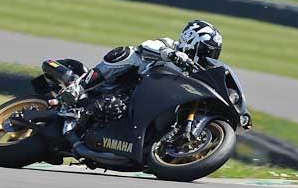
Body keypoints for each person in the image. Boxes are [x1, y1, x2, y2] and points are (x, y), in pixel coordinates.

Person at [41, 18, 223, 119]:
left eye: (212, 54)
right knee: (128, 52)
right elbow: (147, 46)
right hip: (121, 87)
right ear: (192, 41)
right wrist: (170, 54)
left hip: (145, 105)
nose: (207, 58)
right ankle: (77, 88)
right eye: (206, 51)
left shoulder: (193, 71)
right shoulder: (170, 45)